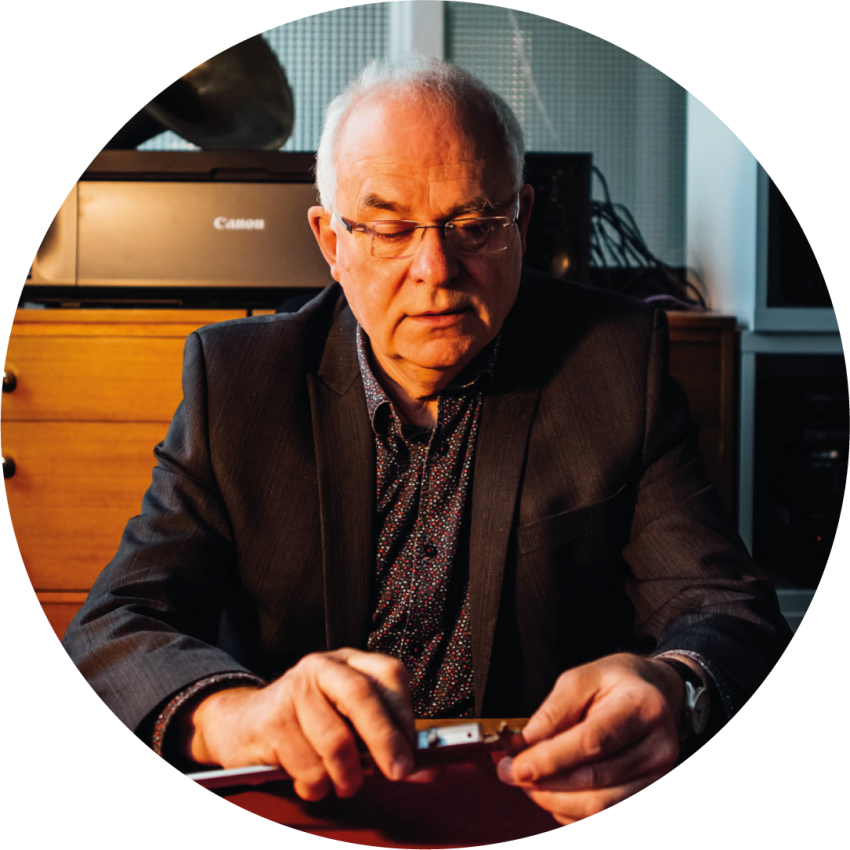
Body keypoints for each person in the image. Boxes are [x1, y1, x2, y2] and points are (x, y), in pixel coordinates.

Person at [62, 56, 792, 826]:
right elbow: (115, 627)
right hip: (312, 808)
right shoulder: (238, 380)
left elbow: (727, 612)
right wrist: (241, 716)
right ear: (331, 241)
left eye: (475, 226)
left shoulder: (617, 363)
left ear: (523, 221)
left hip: (535, 804)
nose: (436, 271)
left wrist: (675, 689)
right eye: (387, 228)